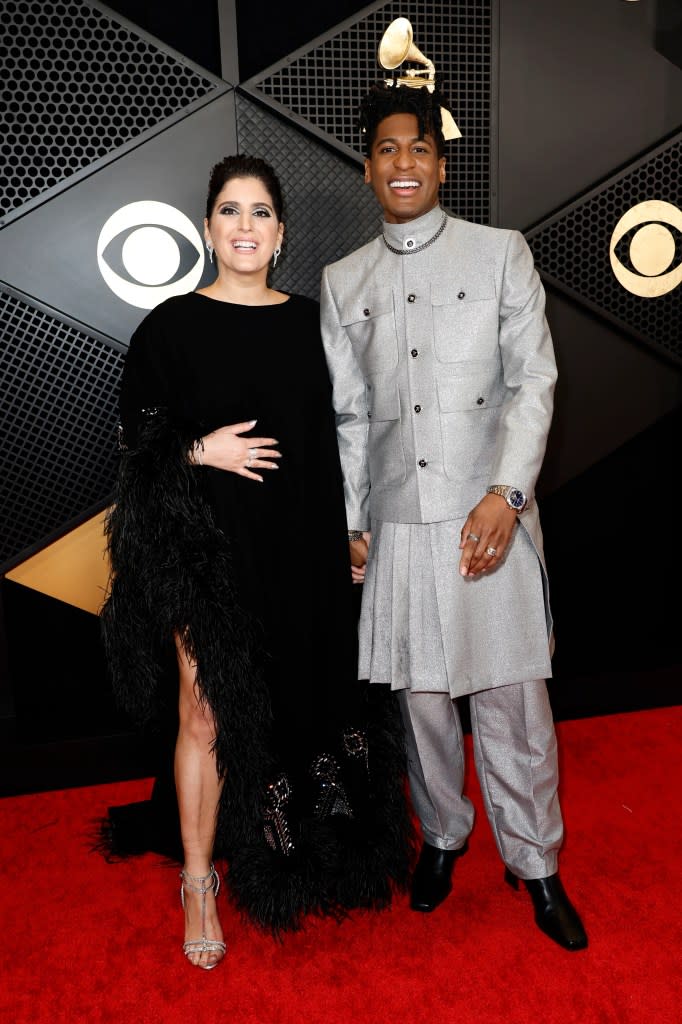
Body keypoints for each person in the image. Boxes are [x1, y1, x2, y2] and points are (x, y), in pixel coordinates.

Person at [99, 154, 413, 970]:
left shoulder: (316, 322)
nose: (245, 226)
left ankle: (296, 849)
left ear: (281, 232)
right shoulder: (169, 328)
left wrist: (353, 533)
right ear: (207, 228)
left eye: (261, 212)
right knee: (203, 713)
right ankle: (199, 883)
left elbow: (348, 437)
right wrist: (201, 448)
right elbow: (136, 448)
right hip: (204, 556)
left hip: (300, 548)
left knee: (305, 696)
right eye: (230, 211)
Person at [319, 80, 588, 951]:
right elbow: (351, 417)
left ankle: (537, 860)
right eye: (388, 149)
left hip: (489, 516)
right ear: (368, 167)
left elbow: (535, 381)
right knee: (424, 705)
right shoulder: (341, 279)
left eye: (420, 148)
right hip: (400, 525)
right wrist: (355, 522)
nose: (405, 163)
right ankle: (443, 836)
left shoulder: (500, 252)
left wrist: (507, 496)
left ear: (441, 161)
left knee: (514, 703)